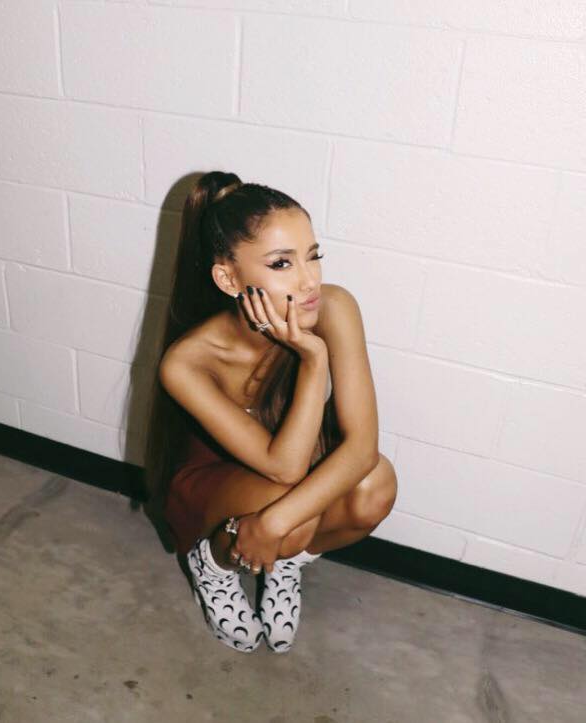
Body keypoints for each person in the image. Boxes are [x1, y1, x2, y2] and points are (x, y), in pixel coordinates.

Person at [144, 171, 398, 654]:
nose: (309, 280)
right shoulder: (188, 362)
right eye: (282, 263)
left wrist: (273, 527)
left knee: (374, 486)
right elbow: (285, 468)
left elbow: (362, 449)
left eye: (313, 256)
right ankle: (213, 566)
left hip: (287, 472)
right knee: (290, 507)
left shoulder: (335, 307)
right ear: (228, 278)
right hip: (217, 479)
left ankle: (284, 560)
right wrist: (314, 359)